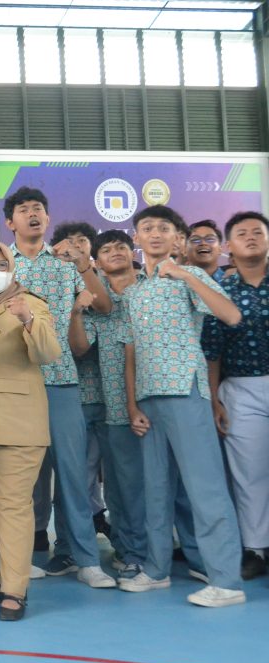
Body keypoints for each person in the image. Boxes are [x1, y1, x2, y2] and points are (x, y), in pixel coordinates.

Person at [120, 204, 245, 608]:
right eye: (146, 228)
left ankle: (226, 580)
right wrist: (132, 404)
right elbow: (131, 352)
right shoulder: (133, 292)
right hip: (150, 400)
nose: (154, 234)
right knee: (156, 491)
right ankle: (156, 571)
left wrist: (186, 274)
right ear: (136, 237)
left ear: (178, 238)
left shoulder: (191, 278)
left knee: (205, 489)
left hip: (186, 392)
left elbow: (231, 315)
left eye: (163, 228)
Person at [2, 187, 115, 589]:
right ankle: (4, 563)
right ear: (9, 222)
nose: (32, 214)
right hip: (12, 384)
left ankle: (85, 558)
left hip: (61, 379)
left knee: (72, 473)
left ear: (47, 220)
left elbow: (104, 308)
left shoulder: (66, 264)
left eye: (39, 210)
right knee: (12, 479)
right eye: (23, 210)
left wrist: (84, 267)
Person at [0, 241, 61, 621]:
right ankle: (4, 580)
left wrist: (27, 320)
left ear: (12, 267)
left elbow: (49, 353)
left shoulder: (29, 302)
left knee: (14, 507)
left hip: (18, 422)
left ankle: (15, 592)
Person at [68, 229, 147, 578]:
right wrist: (74, 310)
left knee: (167, 483)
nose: (115, 252)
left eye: (122, 247)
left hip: (165, 392)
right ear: (96, 262)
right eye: (107, 249)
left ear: (134, 252)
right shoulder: (96, 301)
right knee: (122, 485)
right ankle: (132, 551)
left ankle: (180, 551)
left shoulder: (155, 285)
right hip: (118, 405)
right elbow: (82, 348)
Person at [203, 211, 269, 581]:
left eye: (258, 232)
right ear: (229, 246)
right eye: (241, 233)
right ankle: (255, 548)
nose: (251, 237)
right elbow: (212, 352)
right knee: (250, 474)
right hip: (241, 387)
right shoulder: (222, 292)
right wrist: (214, 400)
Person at [52, 222, 110, 539]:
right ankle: (69, 543)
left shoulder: (99, 281)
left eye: (82, 241)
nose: (73, 247)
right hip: (70, 395)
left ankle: (115, 535)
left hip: (108, 395)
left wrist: (82, 266)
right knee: (74, 476)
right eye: (66, 243)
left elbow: (103, 306)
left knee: (114, 476)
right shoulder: (52, 285)